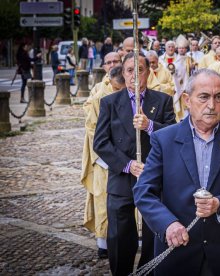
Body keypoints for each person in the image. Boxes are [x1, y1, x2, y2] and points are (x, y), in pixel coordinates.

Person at [133, 69, 220, 276]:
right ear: (187, 99)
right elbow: (143, 191)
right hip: (177, 250)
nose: (212, 105)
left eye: (218, 97)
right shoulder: (164, 139)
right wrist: (168, 224)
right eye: (204, 97)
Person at [93, 52, 176, 275]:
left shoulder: (163, 100)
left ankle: (147, 272)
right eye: (130, 70)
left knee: (154, 230)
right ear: (123, 73)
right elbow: (100, 142)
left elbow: (174, 136)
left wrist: (150, 125)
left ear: (148, 72)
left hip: (153, 176)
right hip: (121, 176)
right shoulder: (109, 102)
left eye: (140, 70)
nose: (134, 75)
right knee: (120, 233)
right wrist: (128, 164)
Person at [81, 52, 122, 259]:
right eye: (109, 62)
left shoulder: (129, 84)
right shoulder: (98, 91)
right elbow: (91, 124)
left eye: (116, 61)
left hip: (127, 153)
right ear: (104, 66)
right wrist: (105, 151)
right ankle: (103, 242)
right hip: (103, 155)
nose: (113, 64)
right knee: (102, 197)